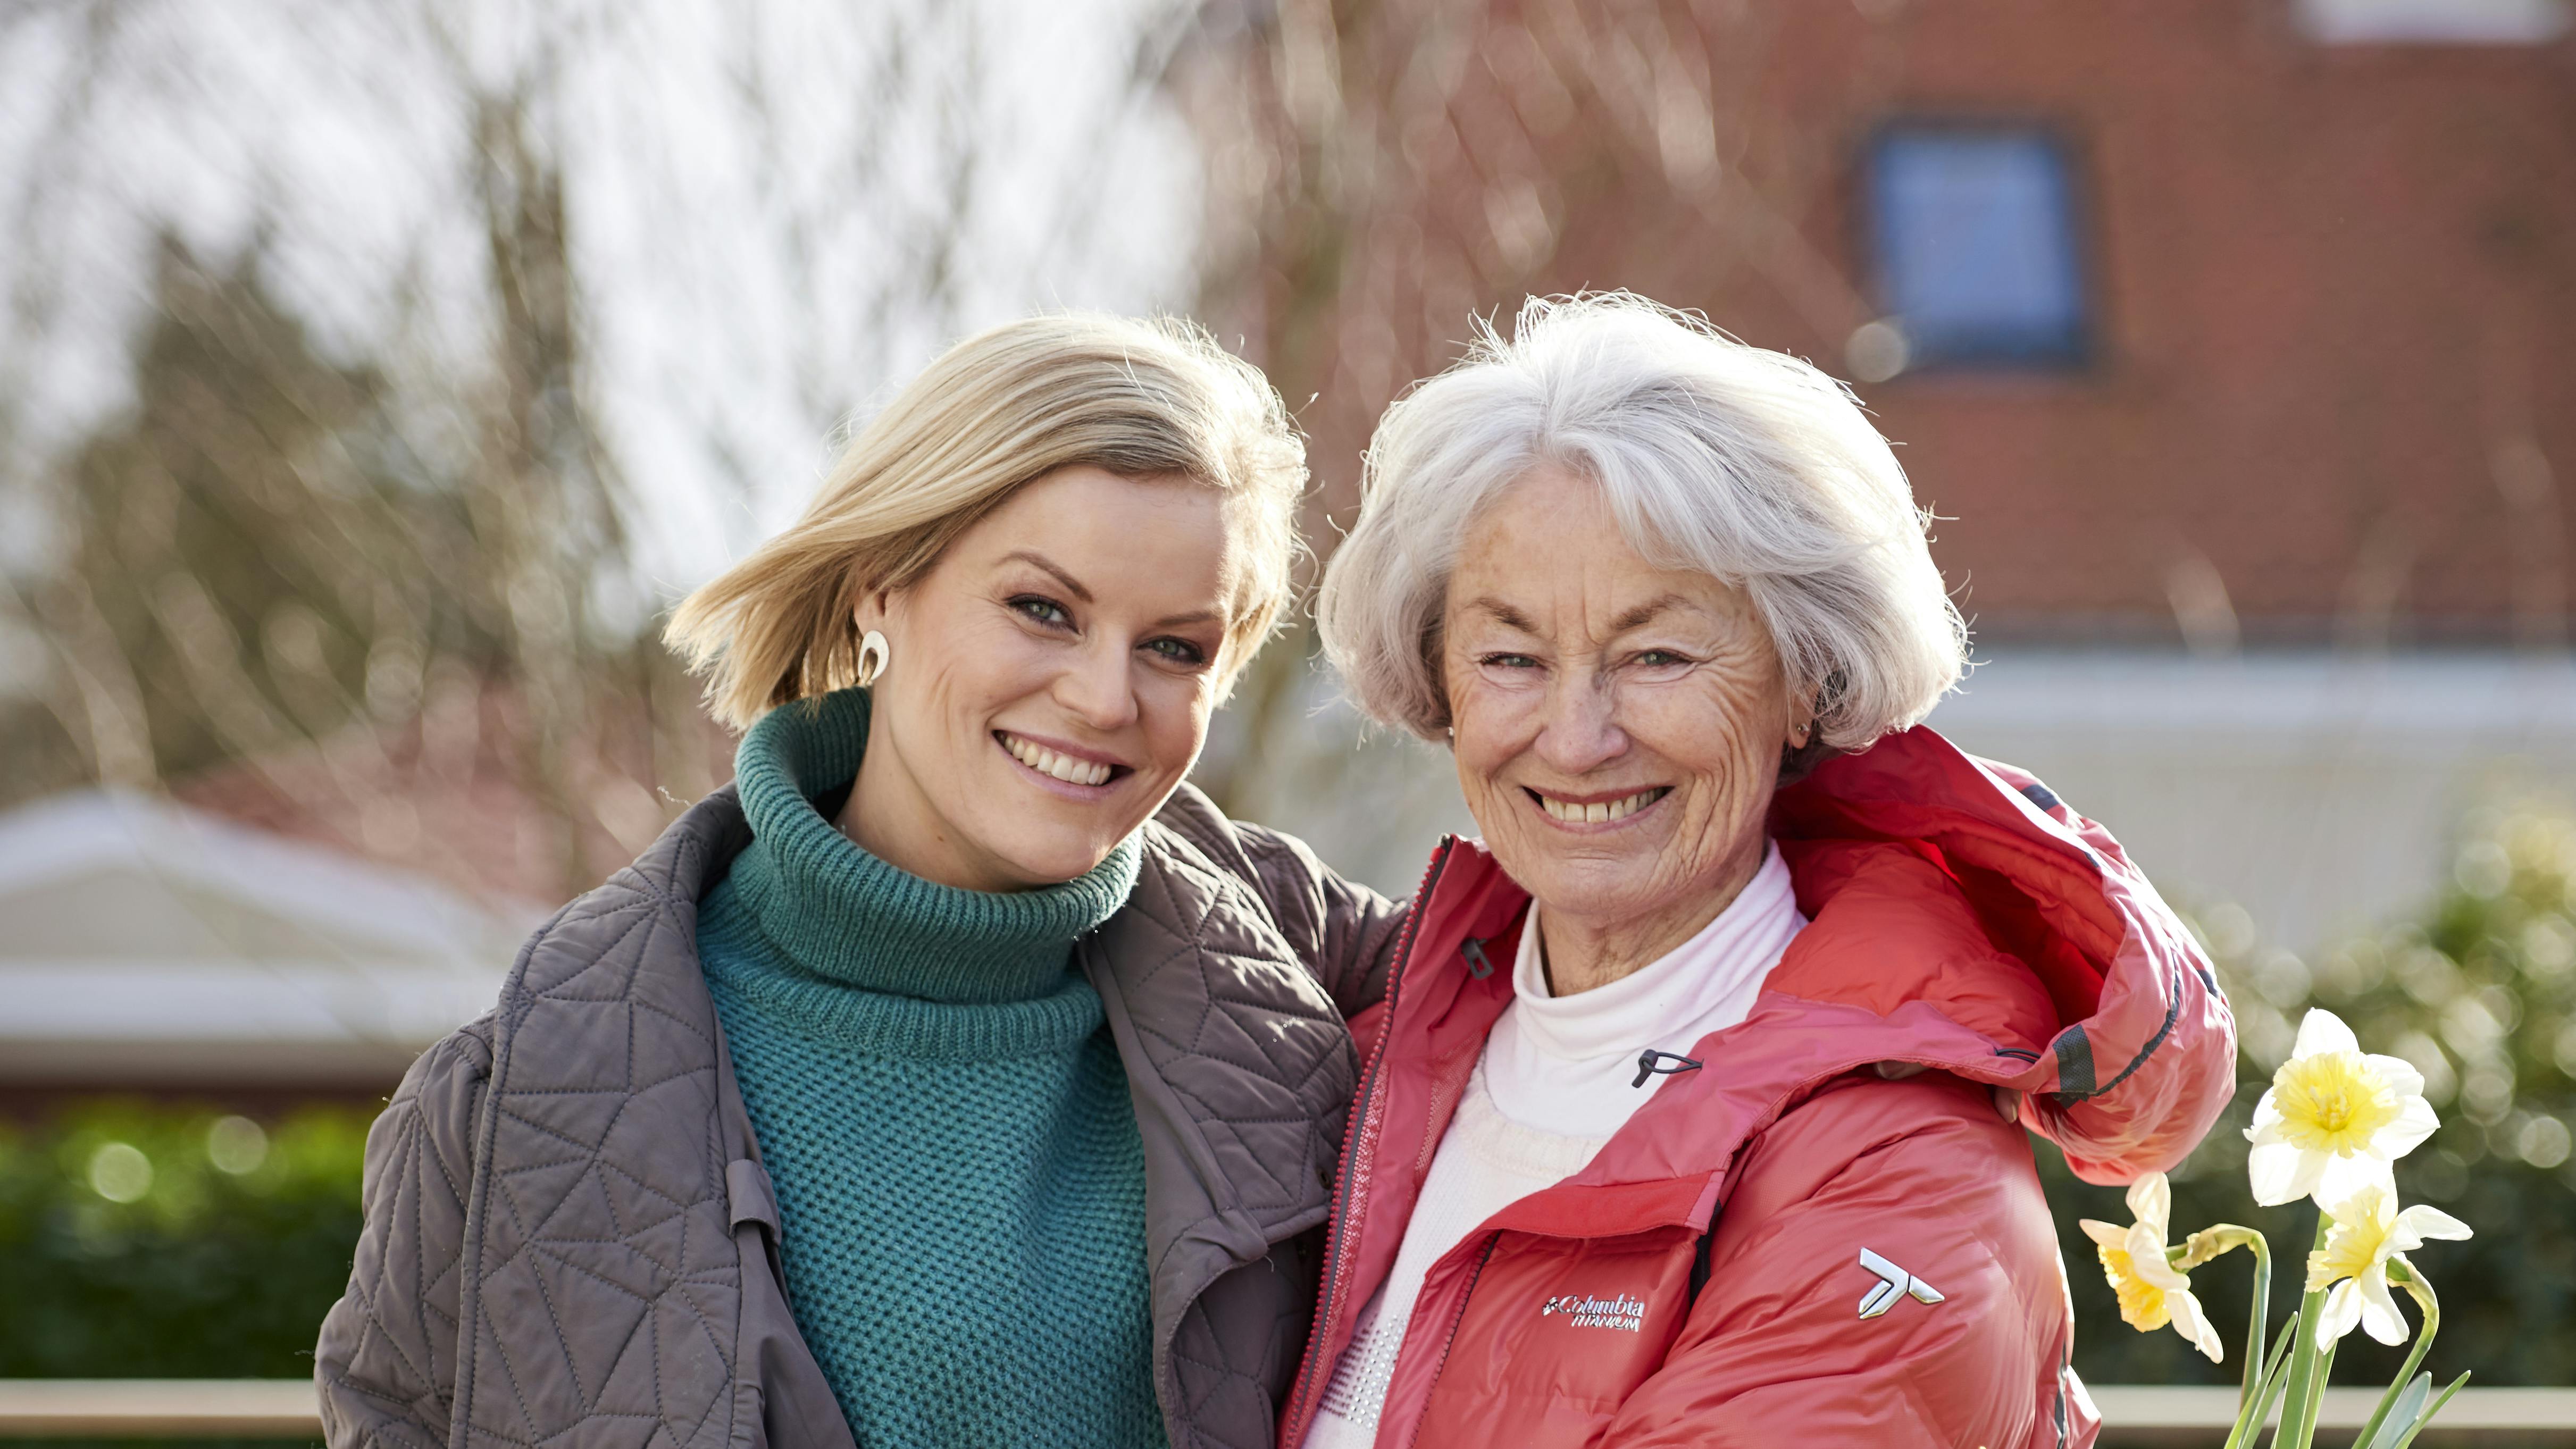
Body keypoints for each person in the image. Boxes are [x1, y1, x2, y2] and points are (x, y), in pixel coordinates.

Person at [314, 313, 1411, 1449]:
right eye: (1043, 609)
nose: (1102, 697)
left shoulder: (1315, 975)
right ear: (881, 585)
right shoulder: (505, 1103)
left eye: (1174, 648)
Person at [1282, 294, 2237, 1449]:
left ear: (1804, 683)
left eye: (1658, 654)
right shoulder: (1364, 1053)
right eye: (1510, 656)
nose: (1577, 736)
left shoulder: (1901, 1182)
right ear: (1438, 683)